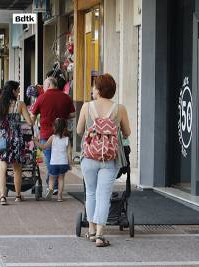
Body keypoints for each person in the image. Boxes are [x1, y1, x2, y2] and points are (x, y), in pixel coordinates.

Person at [77, 73, 131, 247]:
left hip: (89, 157)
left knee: (91, 193)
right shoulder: (119, 108)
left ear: (99, 90)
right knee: (103, 195)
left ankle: (91, 230)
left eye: (94, 87)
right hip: (110, 157)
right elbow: (127, 132)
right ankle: (100, 235)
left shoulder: (86, 107)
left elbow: (79, 131)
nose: (93, 90)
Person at [31, 77, 75, 195]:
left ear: (49, 84)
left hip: (46, 134)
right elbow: (73, 113)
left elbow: (33, 116)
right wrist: (63, 116)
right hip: (62, 134)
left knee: (50, 159)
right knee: (60, 157)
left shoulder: (41, 98)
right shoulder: (66, 97)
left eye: (45, 86)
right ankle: (55, 186)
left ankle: (52, 185)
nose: (43, 88)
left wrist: (33, 127)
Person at [0, 81, 32, 205]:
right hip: (16, 138)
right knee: (17, 168)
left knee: (2, 166)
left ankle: (3, 196)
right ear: (13, 91)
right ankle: (18, 195)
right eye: (18, 89)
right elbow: (29, 122)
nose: (19, 91)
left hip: (2, 138)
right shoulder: (20, 104)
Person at [35, 118, 72, 202]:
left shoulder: (52, 138)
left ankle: (51, 188)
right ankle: (59, 197)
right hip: (63, 163)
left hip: (54, 163)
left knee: (52, 178)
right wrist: (69, 164)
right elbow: (69, 153)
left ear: (54, 127)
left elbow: (44, 147)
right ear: (65, 128)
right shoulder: (67, 139)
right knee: (61, 179)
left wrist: (36, 142)